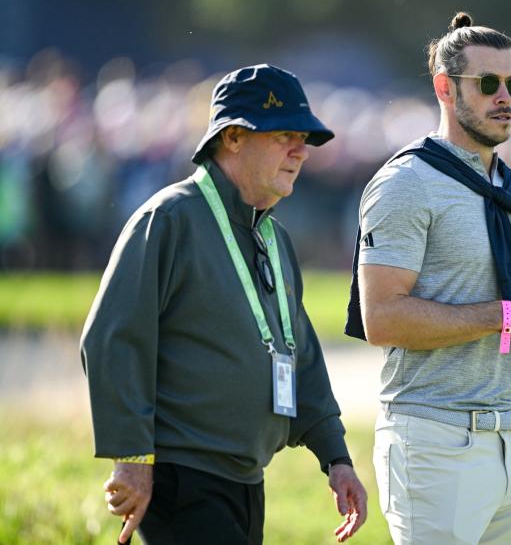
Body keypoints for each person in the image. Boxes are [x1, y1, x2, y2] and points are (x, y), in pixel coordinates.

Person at [81, 64, 367, 545]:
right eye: (284, 135)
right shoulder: (169, 218)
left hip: (245, 483)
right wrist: (131, 458)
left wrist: (336, 458)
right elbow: (113, 339)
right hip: (179, 479)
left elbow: (302, 360)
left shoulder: (274, 238)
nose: (301, 151)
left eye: (304, 138)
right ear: (232, 137)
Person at [345, 12, 511, 544]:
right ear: (445, 88)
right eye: (488, 84)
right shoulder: (407, 183)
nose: (506, 97)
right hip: (432, 440)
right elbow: (381, 318)